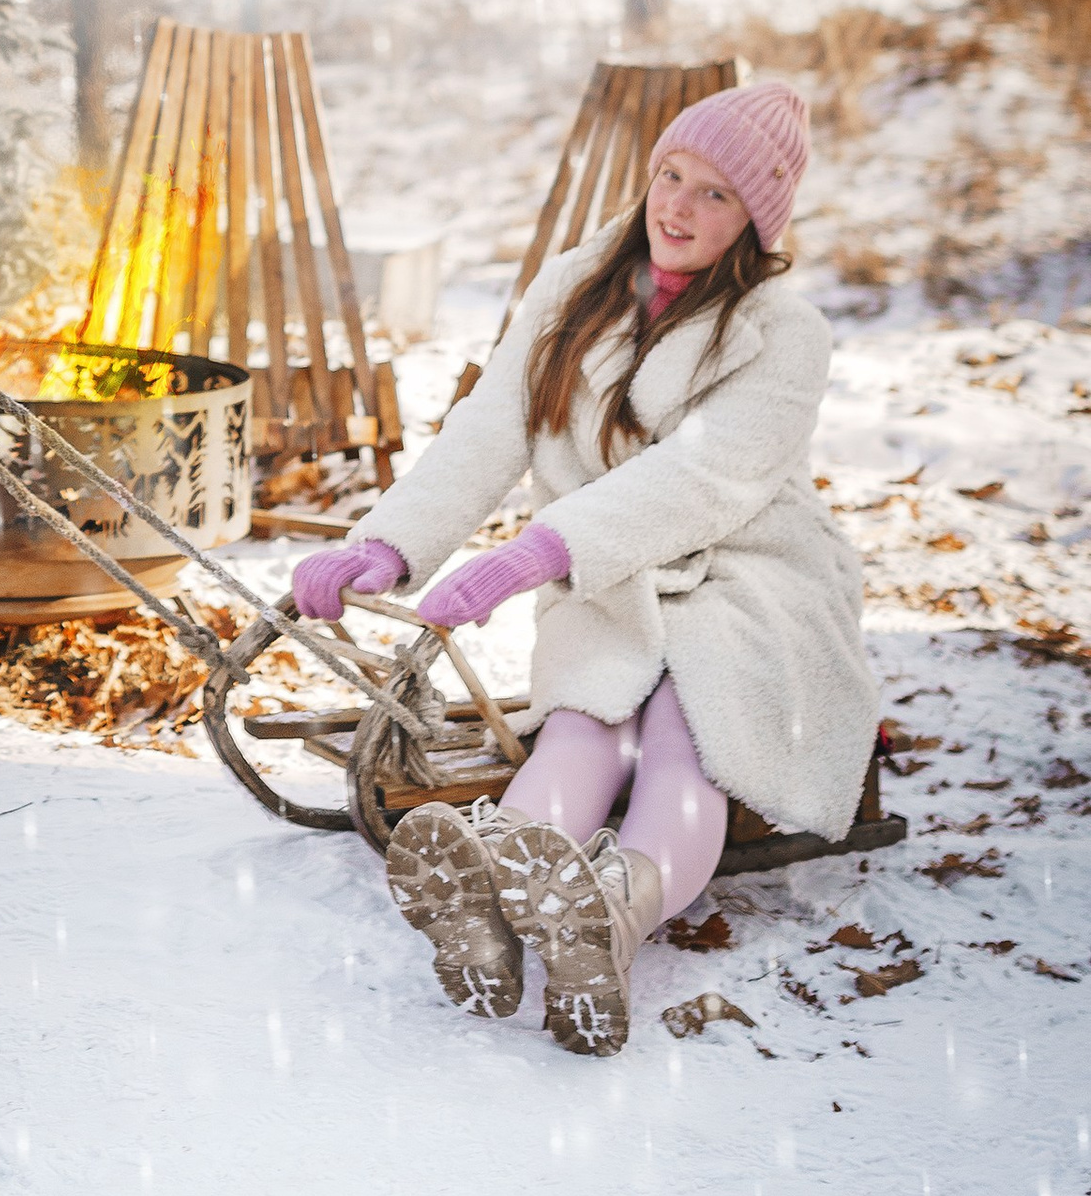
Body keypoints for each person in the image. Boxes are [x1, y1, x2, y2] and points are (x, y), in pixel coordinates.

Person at [297, 79, 873, 1057]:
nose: (676, 207)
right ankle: (494, 885)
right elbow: (490, 426)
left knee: (687, 737)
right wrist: (387, 545)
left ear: (754, 221)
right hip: (610, 573)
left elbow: (705, 477)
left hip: (748, 572)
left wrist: (538, 551)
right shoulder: (575, 285)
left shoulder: (784, 330)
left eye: (714, 194)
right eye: (670, 174)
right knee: (581, 726)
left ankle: (610, 916)